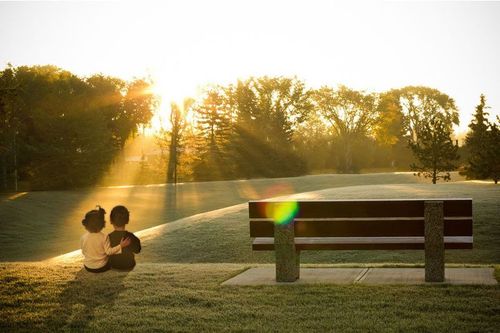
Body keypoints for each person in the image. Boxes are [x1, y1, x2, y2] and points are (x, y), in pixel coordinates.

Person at [80, 206, 131, 273]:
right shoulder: (104, 237)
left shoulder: (83, 237)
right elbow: (109, 252)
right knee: (113, 257)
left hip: (87, 266)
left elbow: (83, 251)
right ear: (102, 224)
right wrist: (121, 246)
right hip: (101, 267)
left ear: (86, 224)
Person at [108, 205, 141, 270]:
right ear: (127, 220)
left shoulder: (108, 237)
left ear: (111, 220)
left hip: (114, 265)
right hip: (129, 265)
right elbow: (137, 250)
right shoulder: (131, 236)